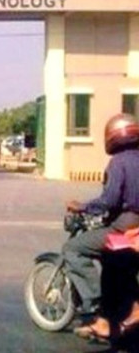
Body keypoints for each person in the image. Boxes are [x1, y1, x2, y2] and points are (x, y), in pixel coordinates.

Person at [64, 114, 139, 339]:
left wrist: (83, 206)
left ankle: (96, 307)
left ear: (112, 136)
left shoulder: (118, 162)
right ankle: (124, 310)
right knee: (114, 262)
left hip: (125, 225)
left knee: (73, 249)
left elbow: (110, 200)